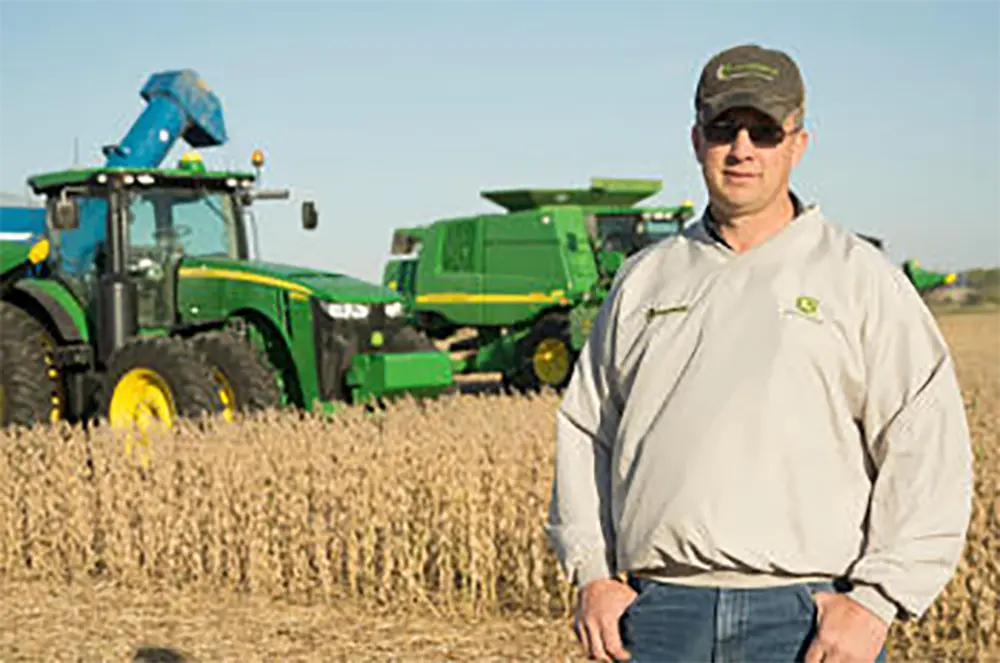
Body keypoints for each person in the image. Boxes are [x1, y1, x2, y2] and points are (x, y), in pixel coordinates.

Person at [544, 43, 974, 663]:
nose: (742, 148)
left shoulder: (859, 278)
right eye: (724, 128)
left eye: (765, 131)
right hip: (659, 617)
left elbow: (926, 441)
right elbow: (587, 431)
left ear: (799, 143)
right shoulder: (645, 280)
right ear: (697, 140)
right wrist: (592, 573)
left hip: (808, 622)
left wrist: (877, 600)